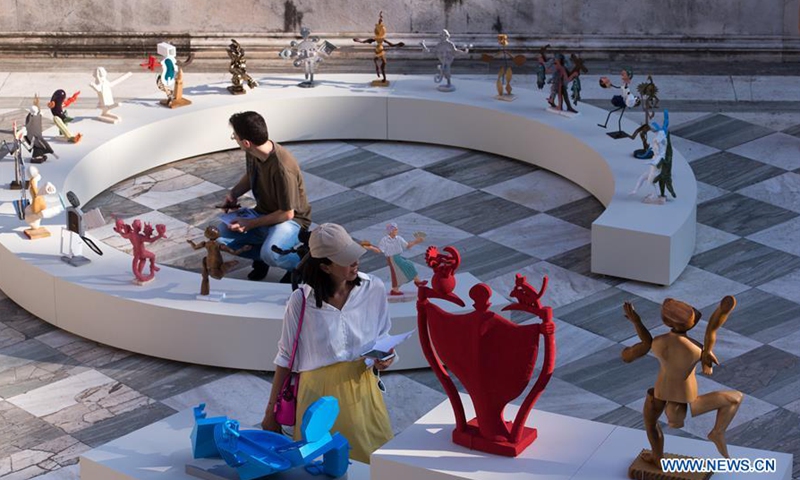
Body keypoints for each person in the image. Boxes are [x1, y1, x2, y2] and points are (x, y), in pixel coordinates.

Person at [261, 223, 394, 464]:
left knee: (374, 462)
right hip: (317, 398)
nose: (355, 262)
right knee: (319, 464)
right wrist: (271, 411)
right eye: (345, 259)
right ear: (325, 266)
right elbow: (285, 356)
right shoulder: (301, 301)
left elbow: (383, 335)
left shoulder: (373, 288)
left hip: (363, 391)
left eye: (354, 254)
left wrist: (386, 357)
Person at [622, 296, 742, 467]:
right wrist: (722, 312)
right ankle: (717, 432)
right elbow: (711, 332)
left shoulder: (658, 343)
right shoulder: (696, 349)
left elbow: (645, 342)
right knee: (735, 398)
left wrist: (636, 321)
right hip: (687, 397)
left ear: (667, 322)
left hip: (660, 393)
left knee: (650, 424)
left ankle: (658, 457)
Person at [218, 111, 312, 282]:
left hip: (292, 221)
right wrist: (234, 194)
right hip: (264, 213)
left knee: (271, 253)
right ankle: (263, 256)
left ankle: (299, 265)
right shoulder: (254, 151)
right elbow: (251, 174)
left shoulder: (282, 168)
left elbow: (287, 213)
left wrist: (250, 224)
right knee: (221, 236)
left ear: (246, 142)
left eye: (235, 137)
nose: (235, 139)